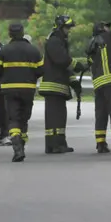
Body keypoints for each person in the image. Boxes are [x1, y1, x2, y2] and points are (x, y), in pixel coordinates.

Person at [0, 23, 44, 162]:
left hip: (10, 90)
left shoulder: (4, 50)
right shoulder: (33, 50)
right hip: (28, 89)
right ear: (22, 33)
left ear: (9, 34)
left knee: (13, 119)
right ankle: (21, 144)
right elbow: (40, 71)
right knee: (24, 119)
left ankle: (17, 147)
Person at [37, 15, 87, 154]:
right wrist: (77, 65)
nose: (69, 30)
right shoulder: (54, 41)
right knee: (55, 116)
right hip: (53, 86)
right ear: (60, 27)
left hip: (58, 86)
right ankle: (55, 145)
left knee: (59, 116)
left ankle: (57, 143)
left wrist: (74, 82)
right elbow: (62, 60)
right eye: (67, 27)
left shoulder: (59, 41)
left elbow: (64, 68)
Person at [85, 21, 111, 153]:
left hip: (98, 84)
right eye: (106, 26)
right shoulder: (109, 37)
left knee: (101, 113)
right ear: (102, 28)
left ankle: (100, 143)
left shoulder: (91, 44)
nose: (109, 28)